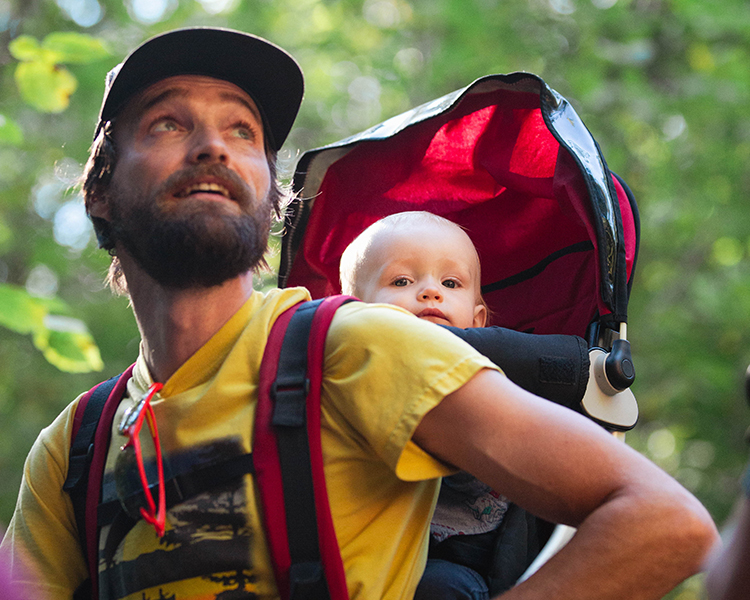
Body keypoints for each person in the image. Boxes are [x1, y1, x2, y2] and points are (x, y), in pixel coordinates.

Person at [0, 26, 718, 600]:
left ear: (271, 198)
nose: (213, 144)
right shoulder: (76, 448)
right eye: (165, 123)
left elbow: (664, 522)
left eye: (243, 130)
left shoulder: (356, 349)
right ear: (99, 190)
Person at [340, 211, 504, 600]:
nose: (431, 292)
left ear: (478, 320)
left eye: (450, 283)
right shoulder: (341, 375)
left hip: (459, 554)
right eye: (402, 281)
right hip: (362, 548)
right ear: (351, 312)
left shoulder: (494, 378)